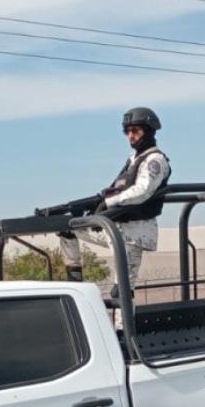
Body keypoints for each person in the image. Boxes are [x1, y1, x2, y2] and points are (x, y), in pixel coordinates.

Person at [59, 107, 172, 296]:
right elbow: (116, 189)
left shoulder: (155, 160)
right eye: (127, 132)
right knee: (67, 229)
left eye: (135, 130)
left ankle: (122, 327)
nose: (131, 136)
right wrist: (97, 204)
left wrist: (109, 203)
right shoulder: (132, 161)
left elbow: (142, 191)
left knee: (122, 291)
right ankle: (75, 285)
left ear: (149, 130)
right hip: (116, 227)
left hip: (135, 232)